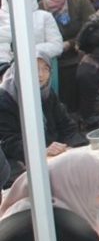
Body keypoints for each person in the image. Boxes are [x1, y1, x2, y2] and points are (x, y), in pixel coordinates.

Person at [0, 52, 86, 184]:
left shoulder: (46, 92)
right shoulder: (5, 99)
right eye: (34, 68)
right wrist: (41, 151)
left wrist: (77, 147)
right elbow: (9, 142)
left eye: (46, 69)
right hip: (18, 159)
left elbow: (66, 125)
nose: (40, 74)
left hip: (52, 154)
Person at [39, 0, 95, 112]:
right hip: (53, 58)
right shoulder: (40, 9)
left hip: (79, 51)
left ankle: (82, 115)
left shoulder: (80, 2)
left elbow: (91, 28)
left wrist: (70, 44)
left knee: (79, 73)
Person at [0, 0, 64, 71]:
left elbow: (57, 46)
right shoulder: (1, 18)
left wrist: (27, 51)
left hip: (37, 69)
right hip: (5, 70)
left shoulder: (44, 17)